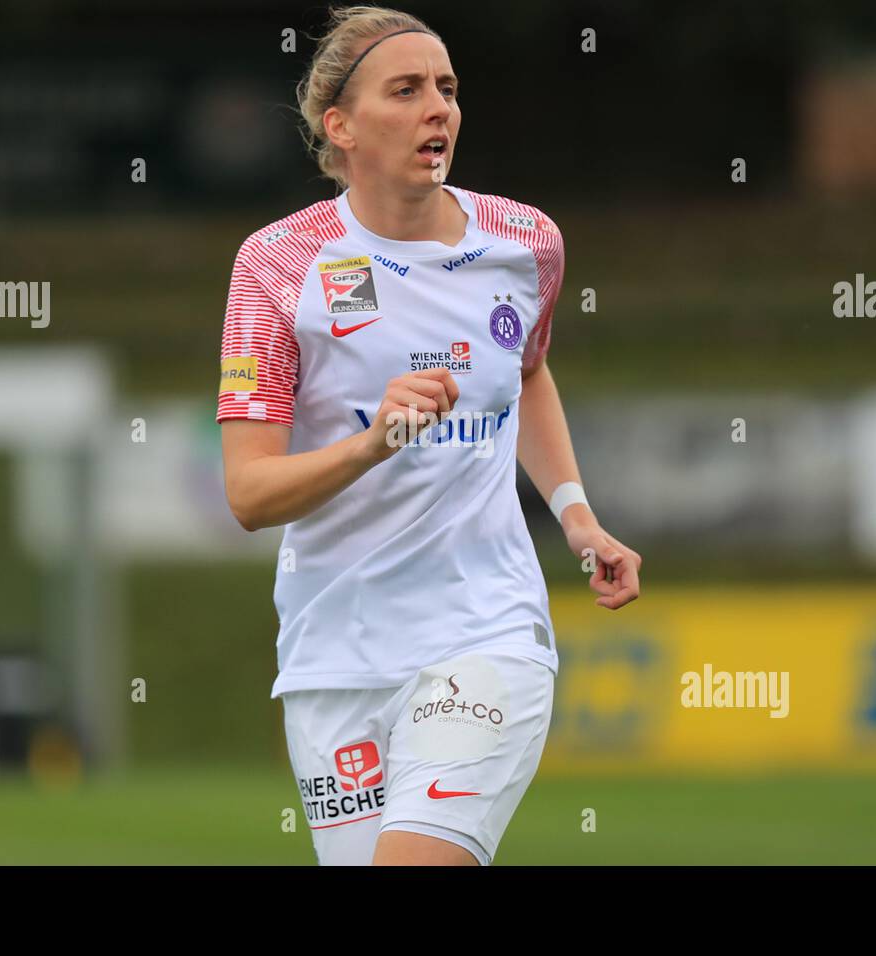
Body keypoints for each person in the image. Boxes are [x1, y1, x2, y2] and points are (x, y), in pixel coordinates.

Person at [217, 5, 642, 865]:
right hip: (332, 656)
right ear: (340, 126)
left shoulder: (527, 242)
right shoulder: (277, 265)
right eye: (405, 90)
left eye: (446, 89)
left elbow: (524, 373)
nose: (437, 109)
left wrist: (576, 514)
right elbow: (250, 496)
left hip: (481, 632)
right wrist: (373, 442)